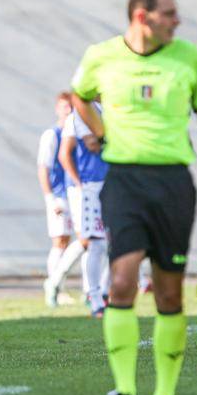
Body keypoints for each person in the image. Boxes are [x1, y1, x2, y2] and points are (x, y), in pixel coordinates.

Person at [72, 0, 197, 395]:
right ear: (143, 16)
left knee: (168, 292)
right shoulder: (100, 56)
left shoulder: (187, 56)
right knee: (121, 279)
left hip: (174, 183)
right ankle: (124, 392)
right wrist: (100, 136)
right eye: (170, 13)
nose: (177, 21)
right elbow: (80, 97)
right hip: (124, 181)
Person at [52, 100, 110, 317]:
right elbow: (89, 144)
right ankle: (93, 297)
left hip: (112, 183)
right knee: (92, 242)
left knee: (113, 243)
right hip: (90, 186)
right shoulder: (82, 113)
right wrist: (78, 183)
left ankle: (104, 293)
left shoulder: (113, 108)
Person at [37, 93, 76, 307]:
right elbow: (43, 168)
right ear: (57, 109)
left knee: (70, 240)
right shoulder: (52, 134)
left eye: (70, 106)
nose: (68, 110)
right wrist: (51, 198)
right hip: (59, 195)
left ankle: (59, 285)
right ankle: (55, 287)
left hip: (72, 193)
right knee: (60, 240)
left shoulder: (74, 132)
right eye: (64, 107)